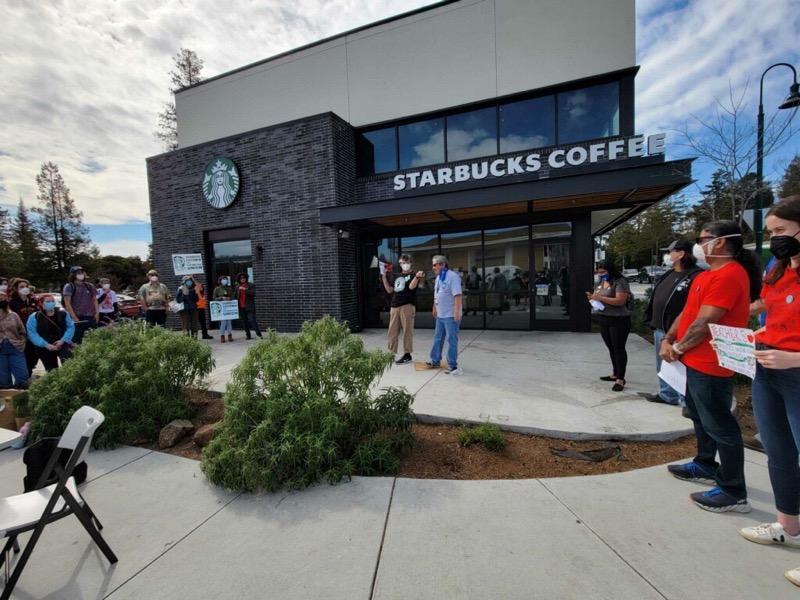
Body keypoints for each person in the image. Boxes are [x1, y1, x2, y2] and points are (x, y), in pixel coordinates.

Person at [661, 220, 761, 513]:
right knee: (698, 416)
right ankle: (705, 464)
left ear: (720, 242)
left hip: (711, 362)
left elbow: (706, 322)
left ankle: (734, 492)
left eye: (702, 238)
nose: (698, 244)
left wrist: (678, 348)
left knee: (721, 426)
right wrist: (669, 339)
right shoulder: (707, 276)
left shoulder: (730, 275)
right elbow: (688, 313)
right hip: (693, 361)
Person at [735, 196, 800, 587]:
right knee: (779, 453)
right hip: (767, 370)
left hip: (795, 372)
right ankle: (787, 526)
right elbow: (775, 315)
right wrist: (760, 333)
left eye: (780, 231)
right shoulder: (778, 269)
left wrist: (796, 359)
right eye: (770, 232)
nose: (774, 239)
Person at [643, 239, 704, 405]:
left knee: (682, 367)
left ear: (681, 254)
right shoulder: (669, 274)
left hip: (682, 332)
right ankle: (667, 394)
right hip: (661, 330)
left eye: (670, 252)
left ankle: (686, 400)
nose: (668, 255)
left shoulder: (696, 276)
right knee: (664, 364)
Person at [587, 259, 632, 392]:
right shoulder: (601, 282)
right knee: (611, 348)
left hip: (618, 320)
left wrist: (600, 298)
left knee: (618, 348)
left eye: (603, 272)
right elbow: (599, 295)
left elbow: (620, 300)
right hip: (604, 318)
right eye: (599, 272)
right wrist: (593, 298)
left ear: (610, 270)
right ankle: (615, 373)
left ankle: (621, 378)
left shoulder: (620, 282)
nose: (601, 274)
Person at [382, 254, 422, 364]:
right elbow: (390, 290)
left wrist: (417, 277)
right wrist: (384, 277)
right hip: (394, 306)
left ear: (411, 263)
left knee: (407, 331)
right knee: (392, 331)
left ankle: (407, 354)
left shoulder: (414, 275)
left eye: (406, 262)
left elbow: (411, 287)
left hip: (407, 306)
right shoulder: (396, 276)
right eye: (402, 263)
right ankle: (390, 354)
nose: (404, 265)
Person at [426, 255, 463, 375]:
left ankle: (453, 365)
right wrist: (434, 308)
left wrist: (457, 312)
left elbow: (457, 296)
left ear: (442, 264)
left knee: (452, 339)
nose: (433, 267)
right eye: (433, 265)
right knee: (438, 338)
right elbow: (437, 295)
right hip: (440, 315)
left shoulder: (453, 276)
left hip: (450, 315)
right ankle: (435, 360)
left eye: (434, 264)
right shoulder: (439, 277)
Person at [26, 293, 75, 371]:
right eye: (48, 301)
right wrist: (45, 344)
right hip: (44, 347)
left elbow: (71, 327)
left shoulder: (63, 313)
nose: (51, 303)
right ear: (41, 303)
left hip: (62, 343)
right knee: (51, 370)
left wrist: (63, 340)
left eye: (52, 301)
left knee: (69, 366)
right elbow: (32, 334)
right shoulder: (34, 317)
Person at [8, 277, 39, 376]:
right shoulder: (12, 302)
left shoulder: (33, 300)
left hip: (34, 332)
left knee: (34, 355)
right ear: (16, 289)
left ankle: (30, 369)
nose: (25, 288)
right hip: (20, 333)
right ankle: (25, 375)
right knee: (24, 354)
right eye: (22, 287)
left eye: (26, 286)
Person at [0, 290, 29, 389]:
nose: (2, 300)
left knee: (22, 378)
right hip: (0, 350)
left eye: (3, 298)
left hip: (15, 347)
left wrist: (21, 343)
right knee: (3, 381)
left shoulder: (13, 315)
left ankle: (21, 398)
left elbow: (22, 331)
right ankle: (8, 402)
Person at [62, 266, 98, 345]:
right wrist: (74, 317)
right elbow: (67, 303)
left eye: (82, 272)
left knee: (94, 341)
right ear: (73, 275)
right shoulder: (69, 286)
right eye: (78, 273)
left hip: (91, 317)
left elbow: (95, 300)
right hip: (78, 318)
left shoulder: (90, 286)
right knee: (76, 342)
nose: (81, 274)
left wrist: (97, 313)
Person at [235, 272, 262, 340]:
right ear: (239, 279)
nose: (242, 279)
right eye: (241, 278)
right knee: (244, 322)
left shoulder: (251, 285)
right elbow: (235, 296)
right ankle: (248, 335)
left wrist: (245, 290)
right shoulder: (237, 287)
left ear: (246, 278)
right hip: (241, 307)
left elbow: (253, 293)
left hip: (249, 307)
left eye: (244, 278)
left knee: (252, 320)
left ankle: (259, 335)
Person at [213, 275, 234, 343]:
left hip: (228, 307)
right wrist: (221, 298)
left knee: (229, 322)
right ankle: (222, 336)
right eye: (223, 279)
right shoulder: (217, 289)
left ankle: (229, 335)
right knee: (223, 322)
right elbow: (214, 298)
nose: (224, 280)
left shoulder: (229, 288)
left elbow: (233, 296)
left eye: (225, 279)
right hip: (221, 308)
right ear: (220, 281)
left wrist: (229, 298)